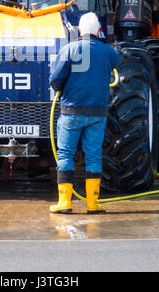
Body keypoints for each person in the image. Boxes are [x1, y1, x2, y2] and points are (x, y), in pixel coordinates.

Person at [49, 12, 121, 214]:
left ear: (80, 30)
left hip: (71, 112)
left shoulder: (68, 49)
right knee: (94, 155)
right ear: (98, 30)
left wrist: (62, 88)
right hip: (97, 113)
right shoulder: (108, 52)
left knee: (65, 154)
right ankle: (92, 204)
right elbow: (118, 60)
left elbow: (55, 79)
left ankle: (64, 203)